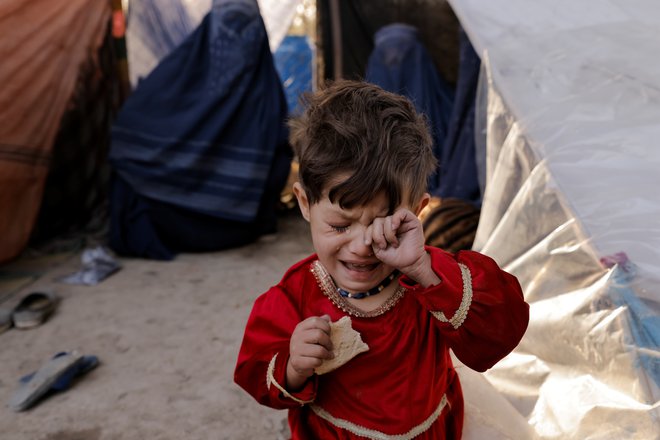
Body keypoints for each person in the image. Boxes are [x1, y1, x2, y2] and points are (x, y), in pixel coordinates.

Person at [234, 80, 529, 439]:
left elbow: (500, 333)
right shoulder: (294, 297)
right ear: (305, 203)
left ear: (418, 210)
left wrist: (424, 270)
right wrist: (295, 366)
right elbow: (256, 372)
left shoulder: (431, 279)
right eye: (341, 225)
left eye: (381, 225)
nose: (360, 246)